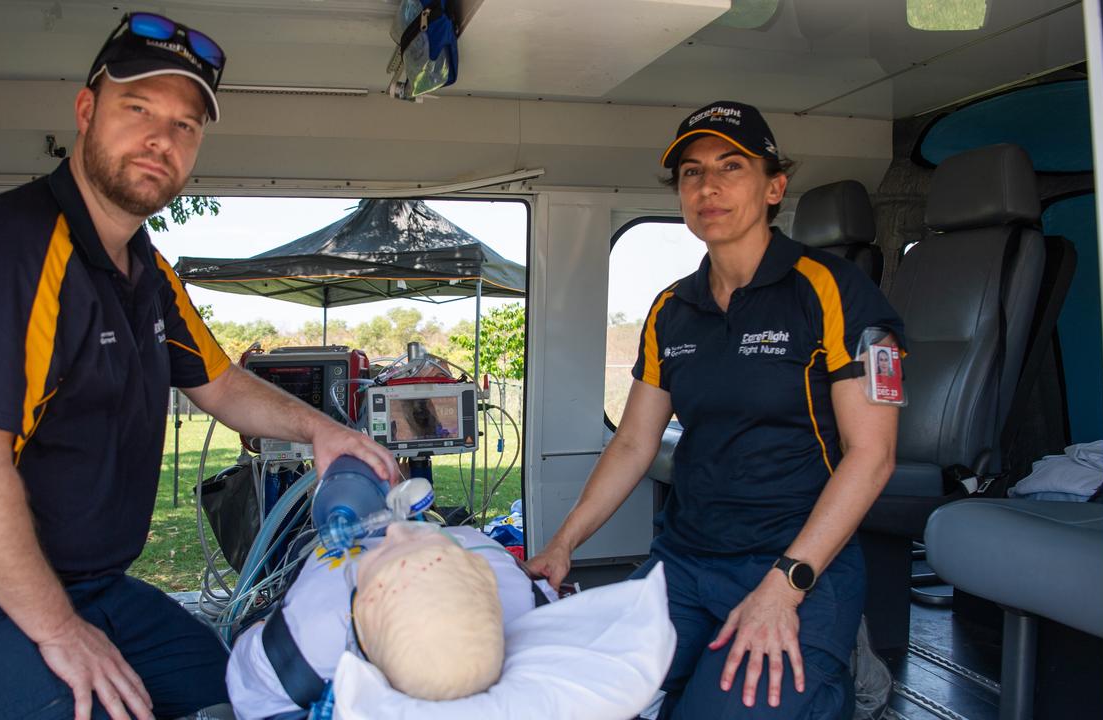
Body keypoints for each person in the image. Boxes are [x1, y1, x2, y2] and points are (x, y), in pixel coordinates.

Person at [0, 12, 397, 720]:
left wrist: (323, 432)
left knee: (246, 696)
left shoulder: (146, 271)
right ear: (86, 112)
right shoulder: (11, 248)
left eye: (184, 126)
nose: (159, 139)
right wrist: (58, 631)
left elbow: (222, 383)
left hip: (87, 583)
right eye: (137, 108)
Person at [526, 101, 905, 720]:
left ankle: (840, 672)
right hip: (683, 559)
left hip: (793, 562)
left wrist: (784, 588)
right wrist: (563, 544)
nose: (709, 186)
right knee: (564, 695)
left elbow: (874, 455)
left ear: (774, 186)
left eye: (732, 166)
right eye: (692, 173)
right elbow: (632, 442)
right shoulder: (672, 308)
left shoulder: (834, 290)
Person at [226, 522, 547, 719]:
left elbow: (251, 686)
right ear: (483, 576)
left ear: (359, 617)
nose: (395, 529)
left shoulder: (312, 636)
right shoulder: (523, 595)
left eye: (386, 552)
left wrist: (255, 633)